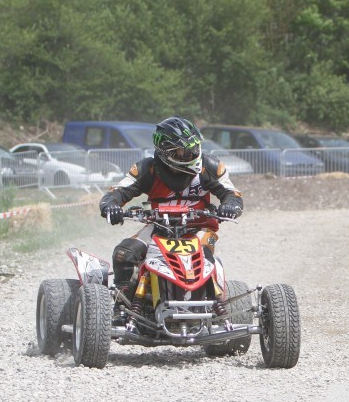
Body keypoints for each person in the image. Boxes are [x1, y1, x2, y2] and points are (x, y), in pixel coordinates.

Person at [98, 116, 243, 296]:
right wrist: (111, 205)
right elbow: (118, 191)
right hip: (158, 227)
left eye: (193, 148)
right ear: (165, 152)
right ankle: (124, 305)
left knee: (203, 261)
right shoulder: (147, 169)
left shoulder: (209, 167)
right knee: (124, 254)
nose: (190, 154)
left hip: (198, 228)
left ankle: (213, 306)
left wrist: (230, 206)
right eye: (182, 152)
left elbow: (232, 193)